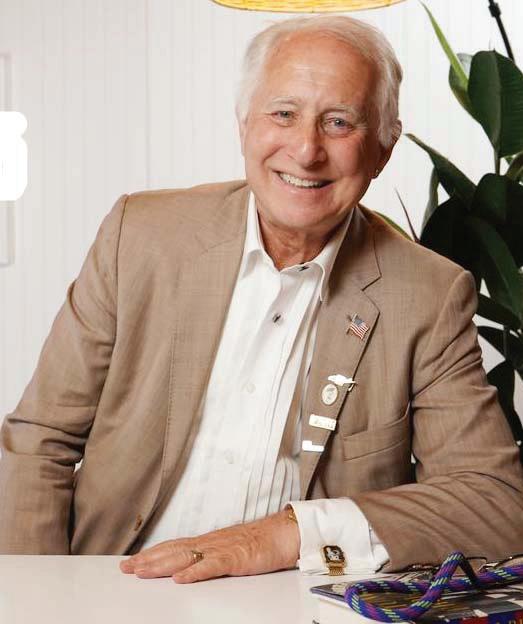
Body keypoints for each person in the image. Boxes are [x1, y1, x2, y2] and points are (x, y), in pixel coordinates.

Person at [1, 15, 522, 585]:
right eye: (283, 114)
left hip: (299, 599)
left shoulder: (427, 294)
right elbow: (39, 443)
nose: (306, 150)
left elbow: (493, 501)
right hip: (118, 585)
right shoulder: (140, 236)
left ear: (383, 149)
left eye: (338, 122)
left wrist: (286, 534)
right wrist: (38, 595)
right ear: (244, 124)